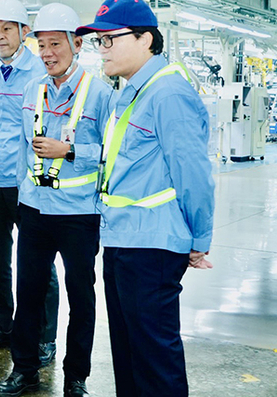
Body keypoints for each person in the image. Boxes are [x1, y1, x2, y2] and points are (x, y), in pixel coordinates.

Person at [76, 1, 215, 395]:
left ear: (146, 39)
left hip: (152, 247)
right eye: (98, 41)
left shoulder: (169, 93)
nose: (101, 49)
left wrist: (198, 240)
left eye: (109, 39)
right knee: (129, 354)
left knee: (155, 360)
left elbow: (194, 176)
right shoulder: (132, 92)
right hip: (122, 239)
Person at [0, 4, 112, 397]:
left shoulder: (100, 93)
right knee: (29, 293)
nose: (47, 53)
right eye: (41, 45)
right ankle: (23, 369)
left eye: (55, 44)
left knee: (81, 297)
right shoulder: (33, 89)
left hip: (79, 214)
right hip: (34, 208)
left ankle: (76, 376)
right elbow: (26, 146)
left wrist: (71, 150)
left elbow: (114, 151)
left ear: (76, 45)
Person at [0, 0, 58, 360]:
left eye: (7, 29)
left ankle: (43, 335)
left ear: (24, 32)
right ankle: (2, 325)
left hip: (31, 184)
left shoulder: (41, 72)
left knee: (39, 263)